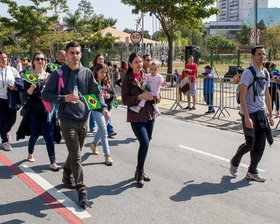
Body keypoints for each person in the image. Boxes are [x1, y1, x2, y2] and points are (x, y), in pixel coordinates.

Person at [42, 41, 109, 208]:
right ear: (66, 54)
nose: (75, 55)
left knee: (75, 152)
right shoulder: (58, 73)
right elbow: (45, 95)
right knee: (77, 155)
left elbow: (96, 92)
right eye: (72, 52)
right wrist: (63, 98)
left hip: (83, 119)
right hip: (66, 119)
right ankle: (81, 190)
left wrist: (104, 108)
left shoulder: (86, 72)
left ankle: (66, 173)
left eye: (78, 52)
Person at [229, 46, 274, 182]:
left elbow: (267, 95)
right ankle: (235, 161)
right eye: (259, 54)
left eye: (264, 54)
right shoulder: (248, 73)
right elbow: (242, 97)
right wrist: (247, 117)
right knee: (250, 142)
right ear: (253, 56)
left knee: (261, 143)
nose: (262, 56)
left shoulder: (266, 73)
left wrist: (271, 115)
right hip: (249, 112)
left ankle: (252, 171)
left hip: (261, 113)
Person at [16, 51, 61, 171]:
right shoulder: (29, 76)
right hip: (34, 108)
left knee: (49, 135)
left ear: (45, 61)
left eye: (42, 59)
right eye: (37, 59)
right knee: (35, 133)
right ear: (33, 61)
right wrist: (31, 88)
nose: (40, 61)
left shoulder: (50, 76)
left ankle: (53, 161)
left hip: (47, 109)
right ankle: (30, 152)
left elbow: (55, 91)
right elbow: (26, 94)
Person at [121, 53, 160, 187]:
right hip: (135, 115)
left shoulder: (148, 76)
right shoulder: (127, 79)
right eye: (136, 62)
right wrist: (140, 96)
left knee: (147, 143)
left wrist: (153, 98)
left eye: (140, 62)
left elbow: (157, 95)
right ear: (130, 64)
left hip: (149, 114)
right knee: (144, 142)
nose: (139, 64)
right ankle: (140, 171)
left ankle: (139, 170)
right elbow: (125, 100)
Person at [90, 63, 114, 165]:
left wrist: (109, 96)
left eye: (105, 72)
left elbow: (113, 94)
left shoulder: (107, 82)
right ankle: (107, 155)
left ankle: (94, 144)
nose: (103, 74)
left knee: (101, 128)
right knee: (104, 130)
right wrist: (99, 99)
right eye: (101, 72)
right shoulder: (92, 82)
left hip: (107, 108)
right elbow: (89, 97)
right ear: (96, 72)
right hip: (96, 109)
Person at [0, 51, 20, 151]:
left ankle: (5, 131)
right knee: (2, 120)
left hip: (11, 99)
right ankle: (5, 141)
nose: (4, 60)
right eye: (1, 58)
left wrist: (15, 87)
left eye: (5, 58)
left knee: (12, 119)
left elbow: (20, 82)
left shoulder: (12, 70)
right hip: (0, 100)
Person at [89, 53, 105, 133]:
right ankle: (92, 127)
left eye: (102, 59)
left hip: (101, 94)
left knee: (102, 110)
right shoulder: (91, 70)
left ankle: (109, 129)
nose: (101, 60)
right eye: (99, 59)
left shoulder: (105, 69)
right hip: (92, 95)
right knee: (93, 111)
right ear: (96, 60)